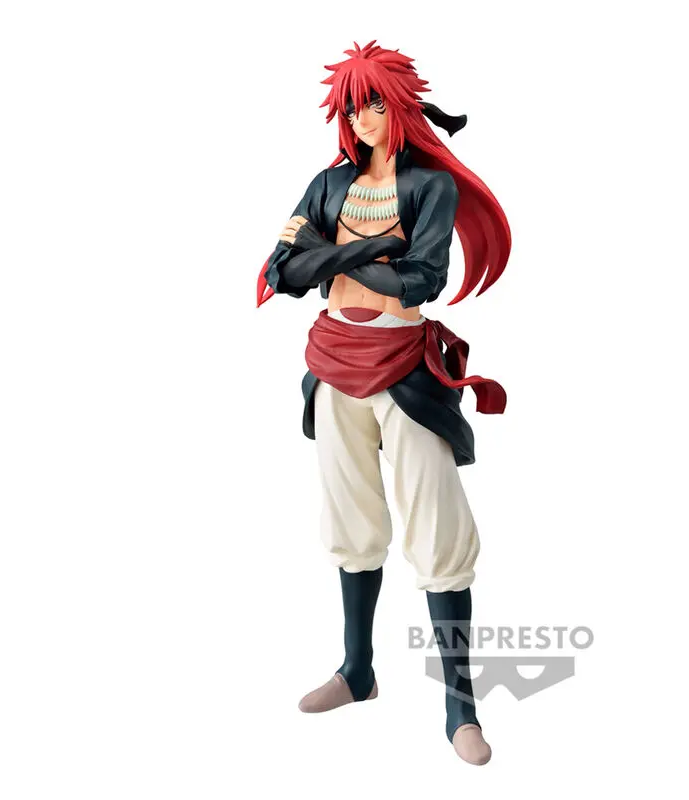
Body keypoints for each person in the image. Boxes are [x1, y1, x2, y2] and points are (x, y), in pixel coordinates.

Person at [257, 40, 511, 766]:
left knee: (437, 526)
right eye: (351, 107)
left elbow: (420, 280)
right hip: (333, 364)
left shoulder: (431, 186)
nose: (362, 119)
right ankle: (357, 670)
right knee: (350, 518)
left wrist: (328, 254)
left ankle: (459, 707)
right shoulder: (327, 183)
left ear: (398, 104)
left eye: (373, 103)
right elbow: (282, 271)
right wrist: (371, 251)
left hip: (406, 368)